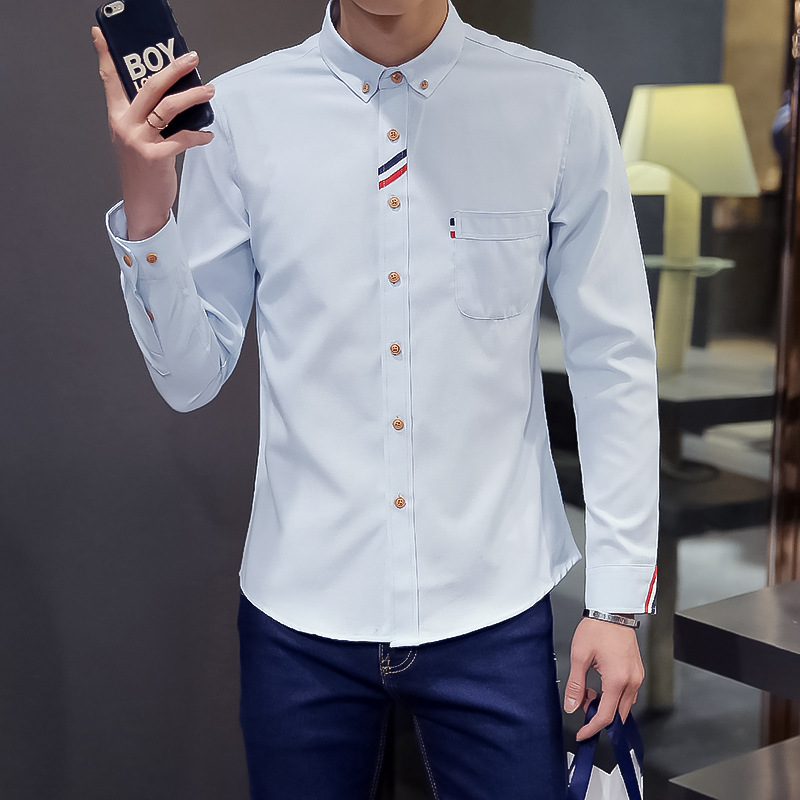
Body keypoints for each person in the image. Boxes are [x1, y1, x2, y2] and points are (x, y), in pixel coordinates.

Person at [92, 1, 659, 797]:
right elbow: (189, 378)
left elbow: (613, 359)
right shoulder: (242, 114)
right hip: (300, 614)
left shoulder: (556, 103)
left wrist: (618, 604)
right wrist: (148, 201)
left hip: (492, 603)